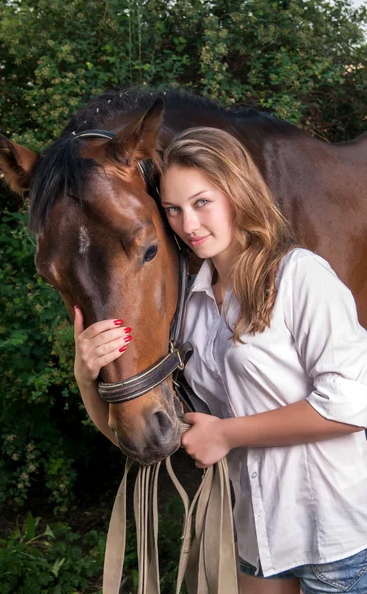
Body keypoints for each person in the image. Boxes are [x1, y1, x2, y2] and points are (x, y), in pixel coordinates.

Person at [74, 127, 367, 594]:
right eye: (172, 209)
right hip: (259, 536)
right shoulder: (190, 308)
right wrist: (88, 378)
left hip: (337, 538)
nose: (188, 224)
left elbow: (351, 406)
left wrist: (227, 434)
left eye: (202, 202)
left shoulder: (299, 276)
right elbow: (153, 438)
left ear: (238, 194)